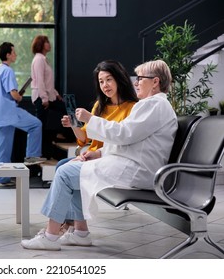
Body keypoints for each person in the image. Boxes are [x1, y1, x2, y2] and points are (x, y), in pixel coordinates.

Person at [21, 60, 178, 250]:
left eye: (140, 79)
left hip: (137, 170)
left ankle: (50, 236)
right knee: (73, 172)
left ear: (155, 82)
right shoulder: (152, 105)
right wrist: (97, 153)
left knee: (65, 173)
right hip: (133, 164)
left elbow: (123, 134)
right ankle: (80, 233)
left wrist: (89, 119)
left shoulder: (154, 105)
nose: (136, 82)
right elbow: (129, 140)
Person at [56, 60, 139, 233]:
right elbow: (84, 138)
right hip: (91, 156)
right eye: (101, 81)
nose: (105, 85)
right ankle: (71, 224)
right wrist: (73, 124)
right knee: (61, 165)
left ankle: (67, 224)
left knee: (66, 169)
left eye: (109, 79)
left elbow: (123, 140)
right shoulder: (99, 106)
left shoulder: (132, 108)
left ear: (119, 79)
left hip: (110, 159)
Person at [0, 42, 44, 187]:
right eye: (14, 52)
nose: (16, 55)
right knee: (36, 125)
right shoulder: (7, 71)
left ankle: (2, 179)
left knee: (2, 148)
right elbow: (13, 94)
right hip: (9, 112)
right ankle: (32, 157)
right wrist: (19, 97)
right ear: (8, 55)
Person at [30, 35, 69, 159]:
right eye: (46, 42)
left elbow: (48, 81)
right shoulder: (39, 59)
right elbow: (40, 81)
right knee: (41, 126)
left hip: (48, 96)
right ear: (41, 44)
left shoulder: (43, 59)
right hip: (41, 98)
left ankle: (62, 135)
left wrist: (56, 94)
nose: (49, 43)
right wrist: (44, 99)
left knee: (65, 109)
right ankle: (41, 154)